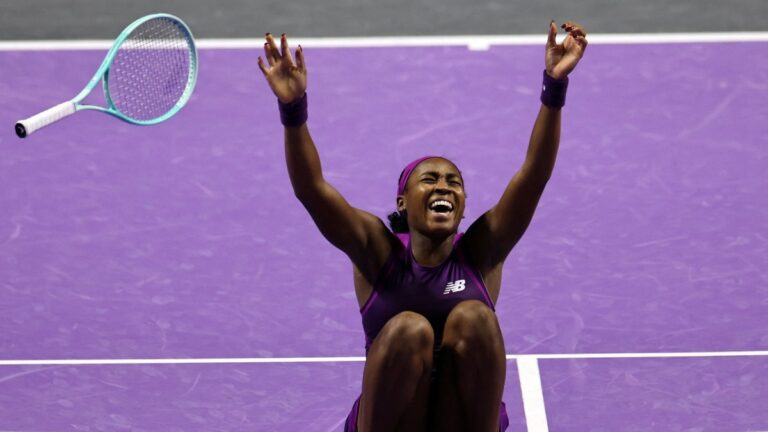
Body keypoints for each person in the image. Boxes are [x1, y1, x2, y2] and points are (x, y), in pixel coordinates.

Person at [258, 20, 587, 432]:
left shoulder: (482, 251)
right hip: (394, 420)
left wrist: (553, 88)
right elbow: (312, 190)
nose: (443, 187)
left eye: (454, 182)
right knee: (407, 329)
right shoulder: (375, 249)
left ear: (464, 206)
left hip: (459, 419)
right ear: (402, 201)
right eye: (429, 179)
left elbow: (533, 176)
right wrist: (293, 110)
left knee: (475, 318)